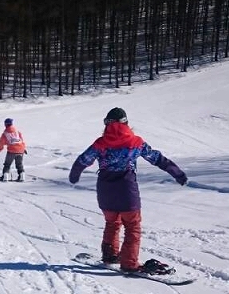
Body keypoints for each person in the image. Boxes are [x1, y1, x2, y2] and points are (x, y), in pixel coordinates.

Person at [69, 107, 188, 273]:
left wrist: (74, 176)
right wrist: (178, 174)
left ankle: (110, 255)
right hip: (127, 191)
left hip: (105, 191)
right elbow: (158, 159)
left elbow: (83, 160)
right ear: (126, 124)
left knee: (112, 223)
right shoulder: (136, 143)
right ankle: (129, 264)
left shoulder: (100, 144)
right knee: (132, 227)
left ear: (107, 124)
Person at [0, 117, 27, 182]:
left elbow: (1, 143)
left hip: (11, 151)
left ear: (6, 124)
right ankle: (22, 176)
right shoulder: (17, 132)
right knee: (19, 164)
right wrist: (24, 149)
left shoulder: (5, 134)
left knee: (7, 164)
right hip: (21, 150)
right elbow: (22, 141)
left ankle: (5, 177)